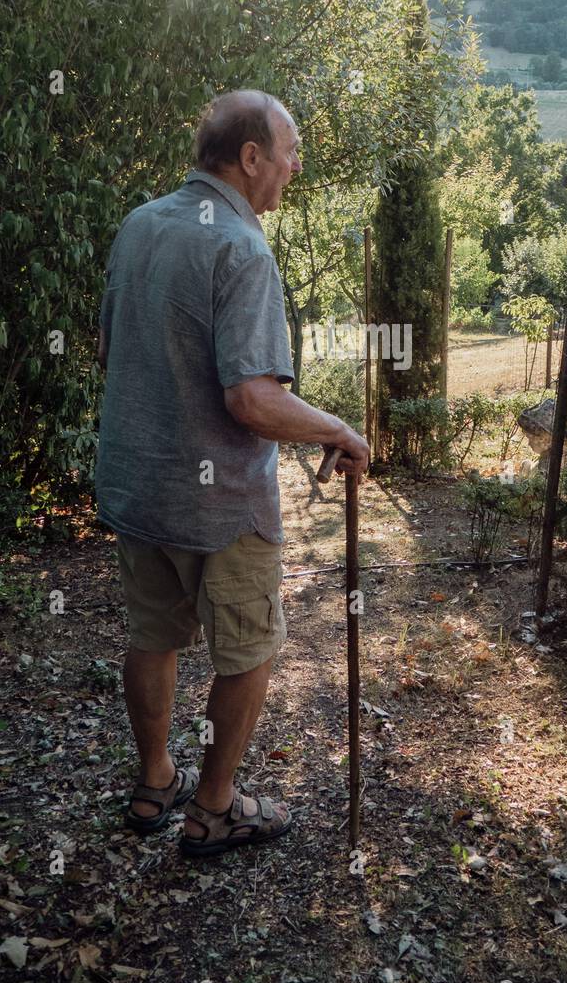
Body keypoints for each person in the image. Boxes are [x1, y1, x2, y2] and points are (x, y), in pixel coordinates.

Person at [95, 90, 369, 857]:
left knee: (153, 636)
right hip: (221, 507)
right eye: (289, 148)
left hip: (136, 485)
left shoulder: (140, 223)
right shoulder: (241, 249)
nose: (295, 163)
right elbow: (252, 398)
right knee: (250, 650)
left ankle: (155, 785)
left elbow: (110, 352)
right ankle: (212, 809)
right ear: (249, 158)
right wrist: (338, 429)